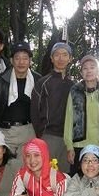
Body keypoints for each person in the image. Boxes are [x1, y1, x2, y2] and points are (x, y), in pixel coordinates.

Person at [63, 55, 99, 175]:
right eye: (85, 68)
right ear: (81, 72)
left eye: (92, 67)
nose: (89, 70)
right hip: (79, 144)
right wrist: (69, 146)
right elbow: (69, 119)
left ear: (97, 70)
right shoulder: (74, 92)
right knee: (79, 179)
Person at [31, 42, 75, 172]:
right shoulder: (43, 83)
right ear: (51, 58)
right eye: (57, 55)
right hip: (48, 135)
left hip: (67, 139)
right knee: (44, 174)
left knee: (64, 177)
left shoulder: (74, 86)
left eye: (64, 55)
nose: (60, 59)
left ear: (70, 58)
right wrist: (40, 134)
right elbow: (34, 111)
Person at [0, 41, 40, 154]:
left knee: (28, 166)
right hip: (5, 131)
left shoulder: (38, 81)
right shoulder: (0, 80)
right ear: (12, 60)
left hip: (29, 130)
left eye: (25, 58)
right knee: (4, 167)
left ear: (30, 61)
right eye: (17, 58)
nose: (21, 62)